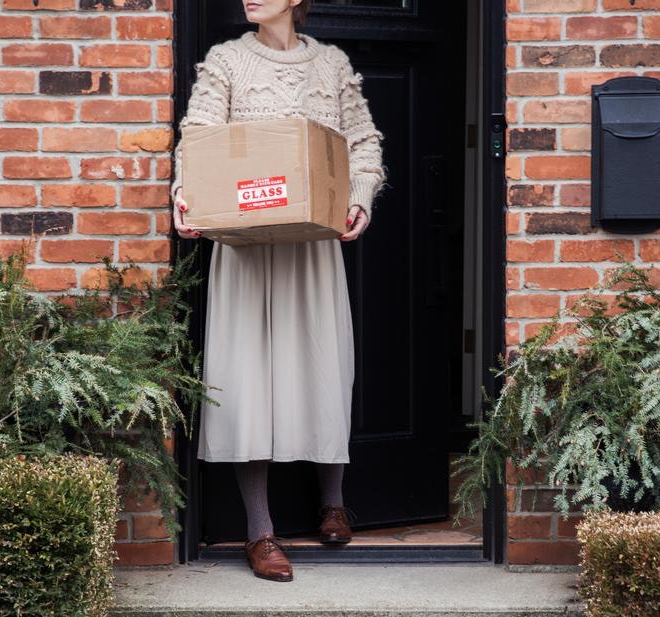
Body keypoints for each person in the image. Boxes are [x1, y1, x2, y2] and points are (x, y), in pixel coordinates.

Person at [170, 0, 385, 582]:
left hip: (313, 243)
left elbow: (364, 143)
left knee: (323, 362)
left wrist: (359, 195)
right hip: (244, 244)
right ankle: (260, 533)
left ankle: (333, 501)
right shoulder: (227, 61)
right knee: (246, 378)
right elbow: (198, 137)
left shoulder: (333, 64)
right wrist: (186, 194)